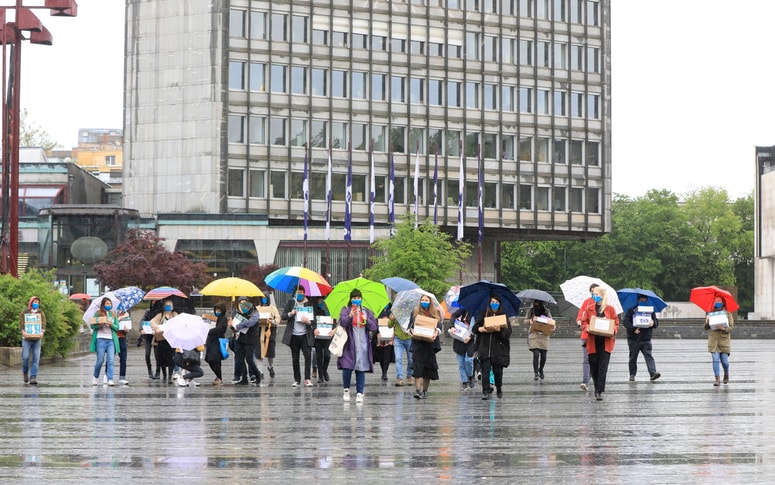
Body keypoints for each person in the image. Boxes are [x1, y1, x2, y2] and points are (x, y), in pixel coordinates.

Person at [337, 289, 378, 404]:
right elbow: (342, 323)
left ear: (361, 299)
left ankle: (360, 393)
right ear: (351, 299)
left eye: (358, 298)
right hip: (349, 344)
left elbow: (374, 327)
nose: (357, 300)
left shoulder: (366, 311)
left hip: (363, 345)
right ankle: (346, 390)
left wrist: (367, 320)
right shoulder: (346, 310)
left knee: (361, 368)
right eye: (354, 298)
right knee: (347, 367)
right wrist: (350, 316)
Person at [580, 286, 620, 401]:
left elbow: (616, 322)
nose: (593, 295)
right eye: (593, 293)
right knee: (594, 366)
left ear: (602, 295)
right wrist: (586, 327)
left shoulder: (610, 309)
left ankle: (599, 390)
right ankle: (597, 385)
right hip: (592, 341)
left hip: (606, 342)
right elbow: (584, 322)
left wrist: (614, 330)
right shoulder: (589, 309)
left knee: (603, 366)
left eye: (596, 293)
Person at [472, 294, 512, 400]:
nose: (494, 304)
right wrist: (481, 329)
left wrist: (500, 330)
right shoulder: (483, 314)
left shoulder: (503, 316)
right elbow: (475, 328)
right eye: (492, 302)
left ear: (499, 304)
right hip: (485, 348)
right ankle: (485, 391)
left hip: (498, 350)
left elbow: (508, 333)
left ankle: (499, 388)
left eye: (496, 302)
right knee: (485, 370)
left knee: (498, 372)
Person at [408, 295, 442, 399]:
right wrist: (412, 331)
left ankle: (425, 391)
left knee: (428, 369)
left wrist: (436, 332)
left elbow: (439, 326)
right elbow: (409, 327)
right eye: (422, 300)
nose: (424, 302)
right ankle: (418, 391)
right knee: (418, 367)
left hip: (430, 345)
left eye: (426, 300)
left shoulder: (436, 313)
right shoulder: (414, 313)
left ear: (430, 302)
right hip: (418, 344)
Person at [281, 287, 316, 387]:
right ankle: (297, 379)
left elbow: (313, 320)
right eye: (298, 292)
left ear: (304, 293)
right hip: (294, 335)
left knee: (308, 356)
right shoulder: (291, 303)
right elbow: (283, 316)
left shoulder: (309, 304)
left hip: (305, 335)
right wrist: (290, 313)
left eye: (301, 292)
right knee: (295, 358)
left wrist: (308, 322)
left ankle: (307, 378)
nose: (299, 294)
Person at [622, 294, 661, 382]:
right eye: (642, 300)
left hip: (646, 338)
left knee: (649, 356)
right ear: (638, 300)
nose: (643, 302)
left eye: (645, 300)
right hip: (633, 339)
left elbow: (656, 322)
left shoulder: (650, 311)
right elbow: (625, 322)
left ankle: (652, 373)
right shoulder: (631, 310)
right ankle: (632, 374)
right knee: (633, 357)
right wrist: (633, 329)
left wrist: (653, 323)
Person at [89, 297, 120, 386]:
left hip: (111, 340)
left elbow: (117, 327)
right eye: (107, 304)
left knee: (110, 360)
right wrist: (100, 324)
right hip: (100, 339)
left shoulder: (113, 315)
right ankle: (95, 376)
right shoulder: (98, 313)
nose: (109, 305)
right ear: (103, 304)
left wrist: (111, 325)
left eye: (110, 304)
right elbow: (92, 326)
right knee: (100, 360)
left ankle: (110, 378)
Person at [704, 295, 734, 386]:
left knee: (725, 361)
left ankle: (726, 373)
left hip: (724, 341)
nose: (717, 304)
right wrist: (707, 322)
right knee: (715, 359)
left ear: (722, 303)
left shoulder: (728, 314)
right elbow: (706, 328)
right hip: (714, 341)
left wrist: (724, 328)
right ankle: (717, 378)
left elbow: (731, 327)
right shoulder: (710, 314)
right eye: (716, 302)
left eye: (719, 302)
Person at [232, 296, 261, 385]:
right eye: (240, 303)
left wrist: (239, 326)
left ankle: (257, 374)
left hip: (250, 339)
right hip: (240, 338)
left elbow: (251, 322)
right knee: (240, 359)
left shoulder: (254, 312)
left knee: (249, 359)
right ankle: (244, 378)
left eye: (244, 303)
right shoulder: (237, 312)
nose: (242, 305)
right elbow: (234, 325)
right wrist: (232, 325)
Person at [575, 283, 598, 391]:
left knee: (595, 360)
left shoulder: (603, 305)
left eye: (595, 291)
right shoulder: (586, 303)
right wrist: (580, 321)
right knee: (586, 359)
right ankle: (585, 381)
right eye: (592, 291)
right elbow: (580, 315)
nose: (593, 293)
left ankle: (593, 380)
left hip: (598, 336)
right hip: (587, 335)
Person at [150, 299, 178, 383]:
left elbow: (178, 322)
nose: (168, 306)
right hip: (161, 340)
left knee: (171, 359)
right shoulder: (160, 315)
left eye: (170, 304)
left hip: (171, 340)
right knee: (161, 358)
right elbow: (152, 322)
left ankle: (170, 376)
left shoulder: (175, 314)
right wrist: (156, 328)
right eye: (167, 304)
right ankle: (164, 375)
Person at [20, 296, 46, 385]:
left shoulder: (41, 313)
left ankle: (33, 377)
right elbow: (21, 323)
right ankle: (25, 372)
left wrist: (42, 332)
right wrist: (23, 331)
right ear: (31, 302)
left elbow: (43, 324)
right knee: (25, 357)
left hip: (37, 338)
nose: (36, 303)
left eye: (38, 302)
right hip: (27, 338)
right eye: (35, 302)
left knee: (36, 358)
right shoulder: (24, 312)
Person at [448, 307, 475, 391]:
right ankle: (464, 382)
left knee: (468, 360)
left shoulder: (477, 314)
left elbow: (477, 329)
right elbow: (453, 316)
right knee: (461, 363)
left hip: (470, 342)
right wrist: (452, 326)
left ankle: (470, 376)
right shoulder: (463, 311)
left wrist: (470, 337)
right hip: (459, 341)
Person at [525, 299, 553, 381]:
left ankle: (541, 369)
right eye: (534, 302)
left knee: (544, 356)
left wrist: (549, 323)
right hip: (534, 334)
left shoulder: (547, 311)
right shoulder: (530, 311)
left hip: (544, 334)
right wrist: (529, 321)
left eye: (537, 302)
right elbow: (525, 320)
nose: (536, 304)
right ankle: (536, 372)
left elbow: (551, 321)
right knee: (536, 354)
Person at [256, 293, 281, 379]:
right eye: (262, 298)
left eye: (265, 298)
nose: (264, 299)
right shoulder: (257, 308)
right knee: (259, 352)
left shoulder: (273, 309)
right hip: (259, 331)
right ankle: (260, 371)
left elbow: (278, 318)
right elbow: (254, 317)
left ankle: (270, 366)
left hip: (270, 331)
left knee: (270, 352)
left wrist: (273, 321)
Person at [204, 303, 230, 385]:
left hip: (217, 342)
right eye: (216, 310)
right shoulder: (217, 318)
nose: (217, 312)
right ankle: (218, 376)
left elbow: (219, 329)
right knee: (210, 359)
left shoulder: (223, 319)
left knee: (214, 360)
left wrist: (209, 331)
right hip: (211, 341)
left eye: (219, 310)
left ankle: (219, 377)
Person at [388, 309, 413, 387]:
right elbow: (389, 325)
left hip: (409, 338)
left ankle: (409, 375)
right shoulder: (395, 312)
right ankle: (400, 378)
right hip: (398, 339)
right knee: (398, 358)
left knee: (411, 359)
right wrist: (392, 319)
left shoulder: (412, 313)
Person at [312, 297, 334, 383]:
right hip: (318, 335)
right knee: (319, 355)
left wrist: (333, 329)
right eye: (320, 299)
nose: (322, 301)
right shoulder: (314, 308)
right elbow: (312, 320)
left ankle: (325, 370)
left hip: (328, 335)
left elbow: (335, 321)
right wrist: (314, 328)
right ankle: (320, 375)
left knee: (327, 355)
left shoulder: (331, 308)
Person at [372, 304, 395, 382]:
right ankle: (383, 371)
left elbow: (395, 323)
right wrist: (377, 332)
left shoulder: (392, 311)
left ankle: (385, 372)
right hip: (379, 336)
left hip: (389, 336)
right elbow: (373, 323)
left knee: (387, 354)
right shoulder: (376, 311)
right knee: (381, 354)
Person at [140, 301, 162, 379]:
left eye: (155, 301)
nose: (153, 303)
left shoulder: (160, 313)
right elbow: (143, 321)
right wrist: (142, 329)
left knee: (157, 355)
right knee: (147, 354)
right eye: (152, 301)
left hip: (157, 336)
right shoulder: (148, 311)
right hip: (148, 336)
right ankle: (150, 370)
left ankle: (157, 371)